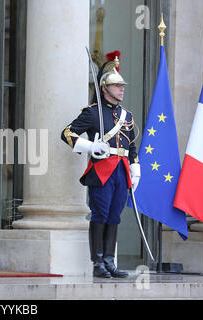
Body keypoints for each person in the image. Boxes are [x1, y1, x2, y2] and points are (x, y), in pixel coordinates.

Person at [61, 52, 141, 278]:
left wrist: (135, 169)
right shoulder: (92, 113)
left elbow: (131, 146)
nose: (122, 89)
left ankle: (109, 260)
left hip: (121, 171)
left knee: (115, 216)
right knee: (101, 215)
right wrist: (90, 147)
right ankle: (97, 263)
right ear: (105, 89)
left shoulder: (126, 116)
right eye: (117, 86)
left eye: (122, 86)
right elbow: (67, 133)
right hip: (102, 170)